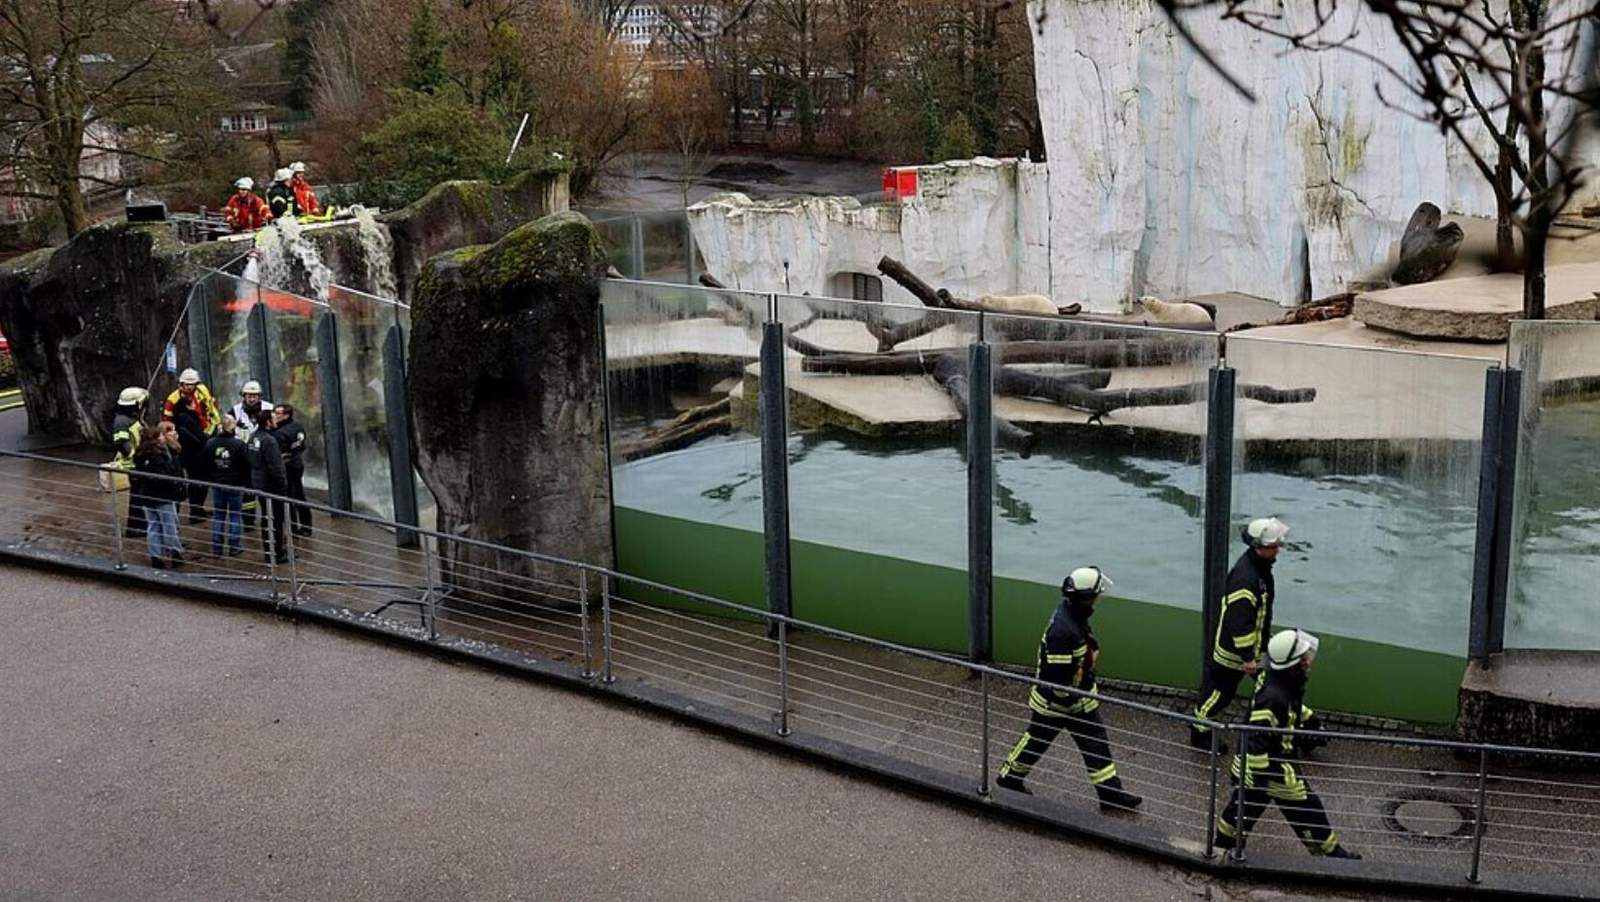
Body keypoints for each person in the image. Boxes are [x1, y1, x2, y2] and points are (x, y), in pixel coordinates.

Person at [995, 566, 1142, 811]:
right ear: (1086, 597)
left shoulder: (1073, 617)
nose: (1099, 598)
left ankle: (1110, 794)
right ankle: (1008, 779)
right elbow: (1057, 680)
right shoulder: (1063, 631)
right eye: (1097, 594)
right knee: (1036, 742)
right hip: (1060, 704)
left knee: (1094, 744)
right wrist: (1072, 700)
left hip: (1075, 701)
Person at [1213, 629, 1360, 860]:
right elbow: (1256, 738)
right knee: (1309, 809)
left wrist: (1309, 719)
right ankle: (1332, 857)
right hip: (1272, 769)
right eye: (1303, 658)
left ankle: (1220, 847)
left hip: (1256, 770)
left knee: (1240, 811)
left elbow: (1289, 709)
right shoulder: (1274, 696)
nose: (1307, 662)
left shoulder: (1277, 681)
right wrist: (1266, 777)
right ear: (1292, 665)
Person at [1191, 517, 1289, 752]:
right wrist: (1247, 658)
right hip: (1235, 655)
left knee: (1272, 684)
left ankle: (1298, 724)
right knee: (1220, 694)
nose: (1278, 550)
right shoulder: (1247, 578)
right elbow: (1240, 622)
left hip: (1253, 650)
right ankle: (1199, 730)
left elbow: (1256, 615)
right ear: (1259, 547)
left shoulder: (1258, 571)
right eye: (1273, 546)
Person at [131, 424, 186, 569]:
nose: (163, 437)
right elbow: (166, 476)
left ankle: (155, 556)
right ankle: (175, 554)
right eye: (160, 435)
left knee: (153, 526)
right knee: (170, 526)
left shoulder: (140, 455)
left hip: (147, 496)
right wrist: (175, 485)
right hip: (163, 496)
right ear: (155, 439)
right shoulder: (159, 456)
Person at [203, 415, 250, 557]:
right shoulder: (239, 444)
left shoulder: (210, 443)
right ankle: (234, 546)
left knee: (218, 514)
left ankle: (216, 547)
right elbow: (246, 464)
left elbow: (205, 462)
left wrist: (212, 478)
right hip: (235, 483)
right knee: (235, 515)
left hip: (217, 483)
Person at [248, 409, 289, 564]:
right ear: (267, 422)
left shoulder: (253, 438)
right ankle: (277, 553)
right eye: (273, 418)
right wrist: (282, 484)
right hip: (272, 486)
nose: (276, 420)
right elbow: (275, 467)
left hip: (259, 483)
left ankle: (269, 551)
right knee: (276, 520)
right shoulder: (270, 441)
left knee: (266, 518)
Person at [110, 385, 149, 540]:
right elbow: (120, 442)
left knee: (139, 496)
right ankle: (136, 527)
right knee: (138, 496)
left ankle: (138, 525)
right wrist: (135, 455)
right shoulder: (122, 421)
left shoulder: (131, 418)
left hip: (137, 462)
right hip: (133, 464)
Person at [271, 403, 311, 537]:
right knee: (299, 495)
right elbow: (302, 445)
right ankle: (306, 526)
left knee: (288, 498)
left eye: (278, 413)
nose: (274, 416)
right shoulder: (298, 427)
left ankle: (294, 528)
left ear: (286, 415)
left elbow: (279, 453)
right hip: (297, 464)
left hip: (287, 467)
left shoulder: (279, 433)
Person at [170, 395, 210, 523]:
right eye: (194, 403)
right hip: (195, 455)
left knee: (196, 482)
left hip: (189, 455)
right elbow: (196, 435)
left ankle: (198, 509)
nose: (196, 405)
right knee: (199, 482)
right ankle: (196, 510)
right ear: (188, 405)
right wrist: (206, 439)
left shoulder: (180, 417)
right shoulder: (188, 418)